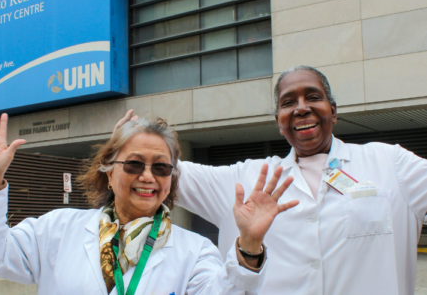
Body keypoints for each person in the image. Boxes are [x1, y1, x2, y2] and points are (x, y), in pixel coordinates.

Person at [116, 65, 427, 295]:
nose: (302, 108)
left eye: (313, 97)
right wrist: (130, 143)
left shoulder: (391, 164)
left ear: (333, 111)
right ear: (279, 123)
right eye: (288, 102)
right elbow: (162, 171)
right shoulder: (243, 180)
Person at [0, 115, 298, 294]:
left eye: (161, 167)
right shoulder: (57, 230)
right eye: (134, 164)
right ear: (108, 172)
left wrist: (250, 245)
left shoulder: (195, 253)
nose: (148, 177)